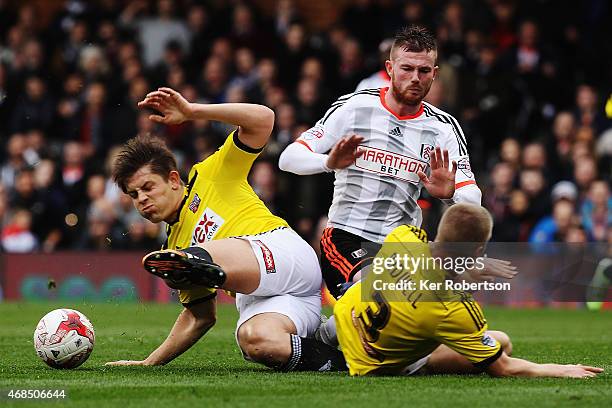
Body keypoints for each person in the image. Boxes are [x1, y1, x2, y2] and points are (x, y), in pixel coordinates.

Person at [105, 87, 345, 372]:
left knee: (185, 261)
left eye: (147, 187)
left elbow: (263, 119)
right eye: (133, 195)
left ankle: (198, 266)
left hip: (283, 255)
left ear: (172, 179)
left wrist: (194, 112)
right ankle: (337, 353)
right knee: (255, 341)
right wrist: (148, 363)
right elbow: (199, 318)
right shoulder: (174, 245)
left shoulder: (210, 174)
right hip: (272, 298)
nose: (141, 199)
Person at [279, 25, 483, 300]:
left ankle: (325, 336)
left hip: (404, 243)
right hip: (347, 236)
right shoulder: (355, 107)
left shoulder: (443, 127)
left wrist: (449, 196)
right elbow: (288, 158)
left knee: (428, 319)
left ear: (434, 74)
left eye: (423, 71)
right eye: (406, 69)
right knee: (380, 296)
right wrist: (329, 161)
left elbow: (472, 197)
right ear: (389, 68)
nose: (415, 78)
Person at [334, 204, 603, 378]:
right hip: (370, 363)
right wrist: (560, 370)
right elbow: (504, 368)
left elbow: (426, 271)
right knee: (502, 343)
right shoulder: (454, 308)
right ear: (477, 251)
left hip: (346, 319)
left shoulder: (403, 236)